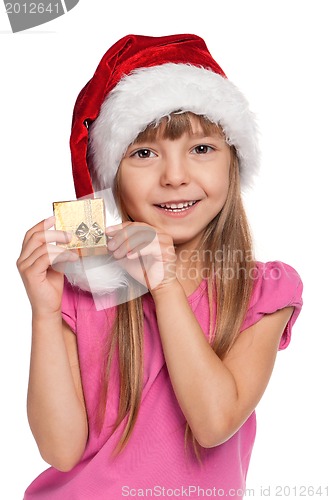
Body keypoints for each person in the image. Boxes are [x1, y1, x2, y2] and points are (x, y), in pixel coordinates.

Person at [17, 34, 303, 500]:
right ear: (112, 179)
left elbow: (213, 423)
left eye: (202, 148)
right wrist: (45, 312)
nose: (174, 176)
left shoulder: (263, 290)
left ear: (234, 161)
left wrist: (164, 281)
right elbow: (60, 451)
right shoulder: (83, 289)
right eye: (144, 153)